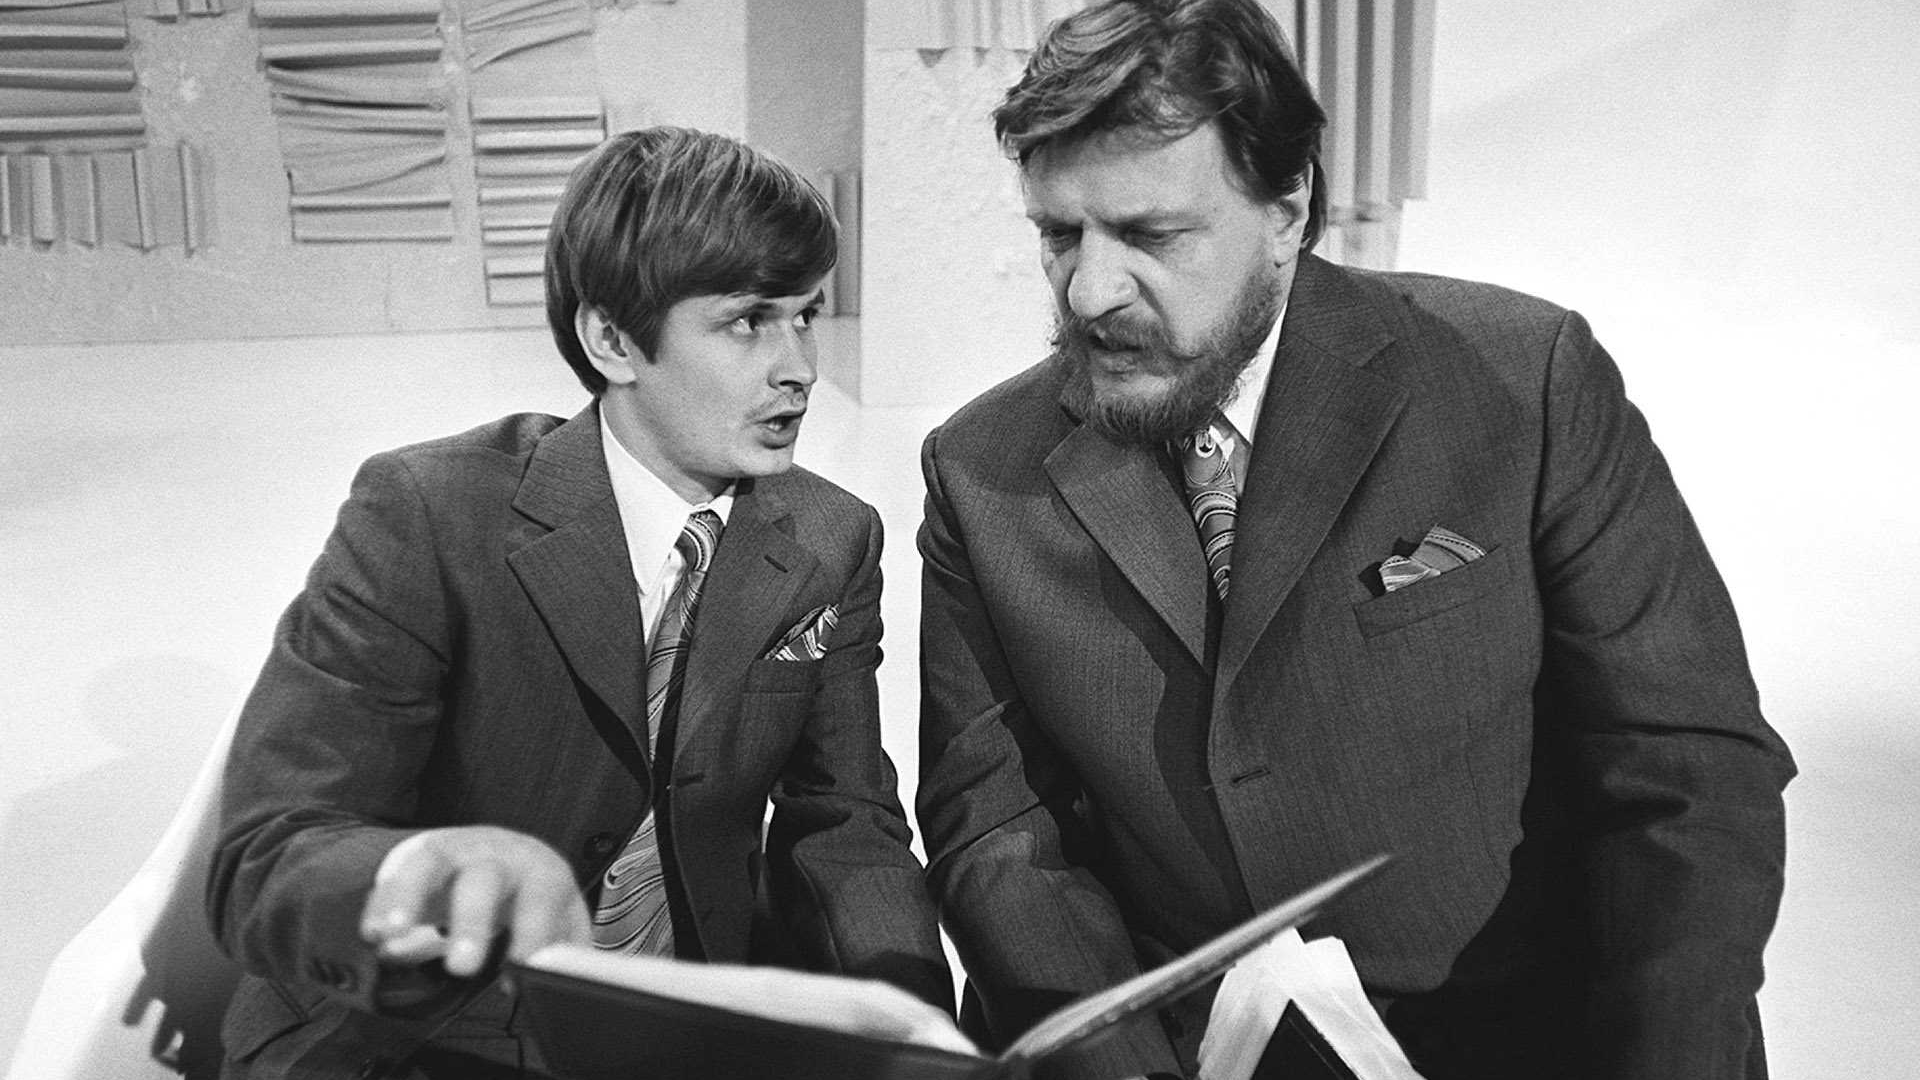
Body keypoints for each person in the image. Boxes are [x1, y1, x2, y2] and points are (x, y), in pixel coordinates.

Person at [912, 3, 1796, 1079]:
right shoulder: (980, 470)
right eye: (1059, 234)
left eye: (1151, 235)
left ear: (1287, 209)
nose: (1089, 291)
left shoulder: (1524, 379)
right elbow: (1000, 832)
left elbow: (1687, 773)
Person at [207, 127, 954, 1080]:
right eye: (748, 322)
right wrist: (422, 877)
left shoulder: (831, 538)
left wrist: (912, 1023)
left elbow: (846, 826)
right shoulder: (429, 513)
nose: (801, 366)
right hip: (422, 1033)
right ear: (612, 340)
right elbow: (266, 855)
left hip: (679, 1029)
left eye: (806, 316)